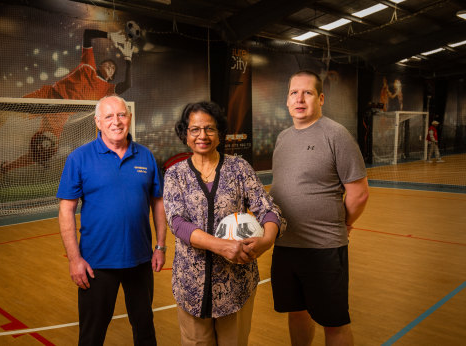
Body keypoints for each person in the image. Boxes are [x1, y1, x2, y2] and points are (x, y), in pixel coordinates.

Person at [163, 101, 285, 345]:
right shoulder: (175, 174)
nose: (203, 136)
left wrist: (267, 239)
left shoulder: (239, 168)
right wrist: (221, 246)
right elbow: (177, 223)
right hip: (191, 287)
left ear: (219, 134)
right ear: (185, 134)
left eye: (210, 128)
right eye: (195, 129)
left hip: (237, 285)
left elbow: (268, 208)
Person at [57, 95, 166, 346]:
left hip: (140, 261)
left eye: (121, 115)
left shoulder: (146, 156)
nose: (116, 121)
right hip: (96, 264)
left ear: (129, 118)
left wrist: (160, 245)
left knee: (145, 330)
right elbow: (66, 211)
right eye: (108, 116)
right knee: (92, 335)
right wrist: (75, 260)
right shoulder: (79, 158)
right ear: (97, 122)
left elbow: (157, 203)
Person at [270, 70, 369, 346]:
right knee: (297, 312)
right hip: (286, 244)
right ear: (287, 100)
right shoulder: (282, 138)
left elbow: (359, 193)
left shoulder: (336, 134)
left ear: (320, 98)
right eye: (294, 93)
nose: (299, 99)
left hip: (323, 247)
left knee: (334, 322)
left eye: (307, 93)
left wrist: (344, 223)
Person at [0, 27, 135, 188]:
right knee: (6, 112)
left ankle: (4, 168)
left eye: (112, 68)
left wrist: (128, 59)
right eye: (107, 63)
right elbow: (88, 34)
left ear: (112, 76)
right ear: (100, 65)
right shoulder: (88, 65)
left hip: (60, 113)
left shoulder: (106, 90)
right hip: (48, 96)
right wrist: (111, 35)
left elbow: (127, 84)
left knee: (44, 152)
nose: (109, 66)